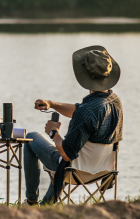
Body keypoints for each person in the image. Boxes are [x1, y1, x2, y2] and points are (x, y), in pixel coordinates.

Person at [24, 46, 123, 205]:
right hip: (102, 170)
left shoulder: (86, 112)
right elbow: (79, 111)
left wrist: (53, 132)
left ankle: (31, 202)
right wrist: (51, 104)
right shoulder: (114, 102)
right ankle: (45, 206)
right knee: (69, 155)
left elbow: (66, 154)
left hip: (74, 171)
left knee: (31, 139)